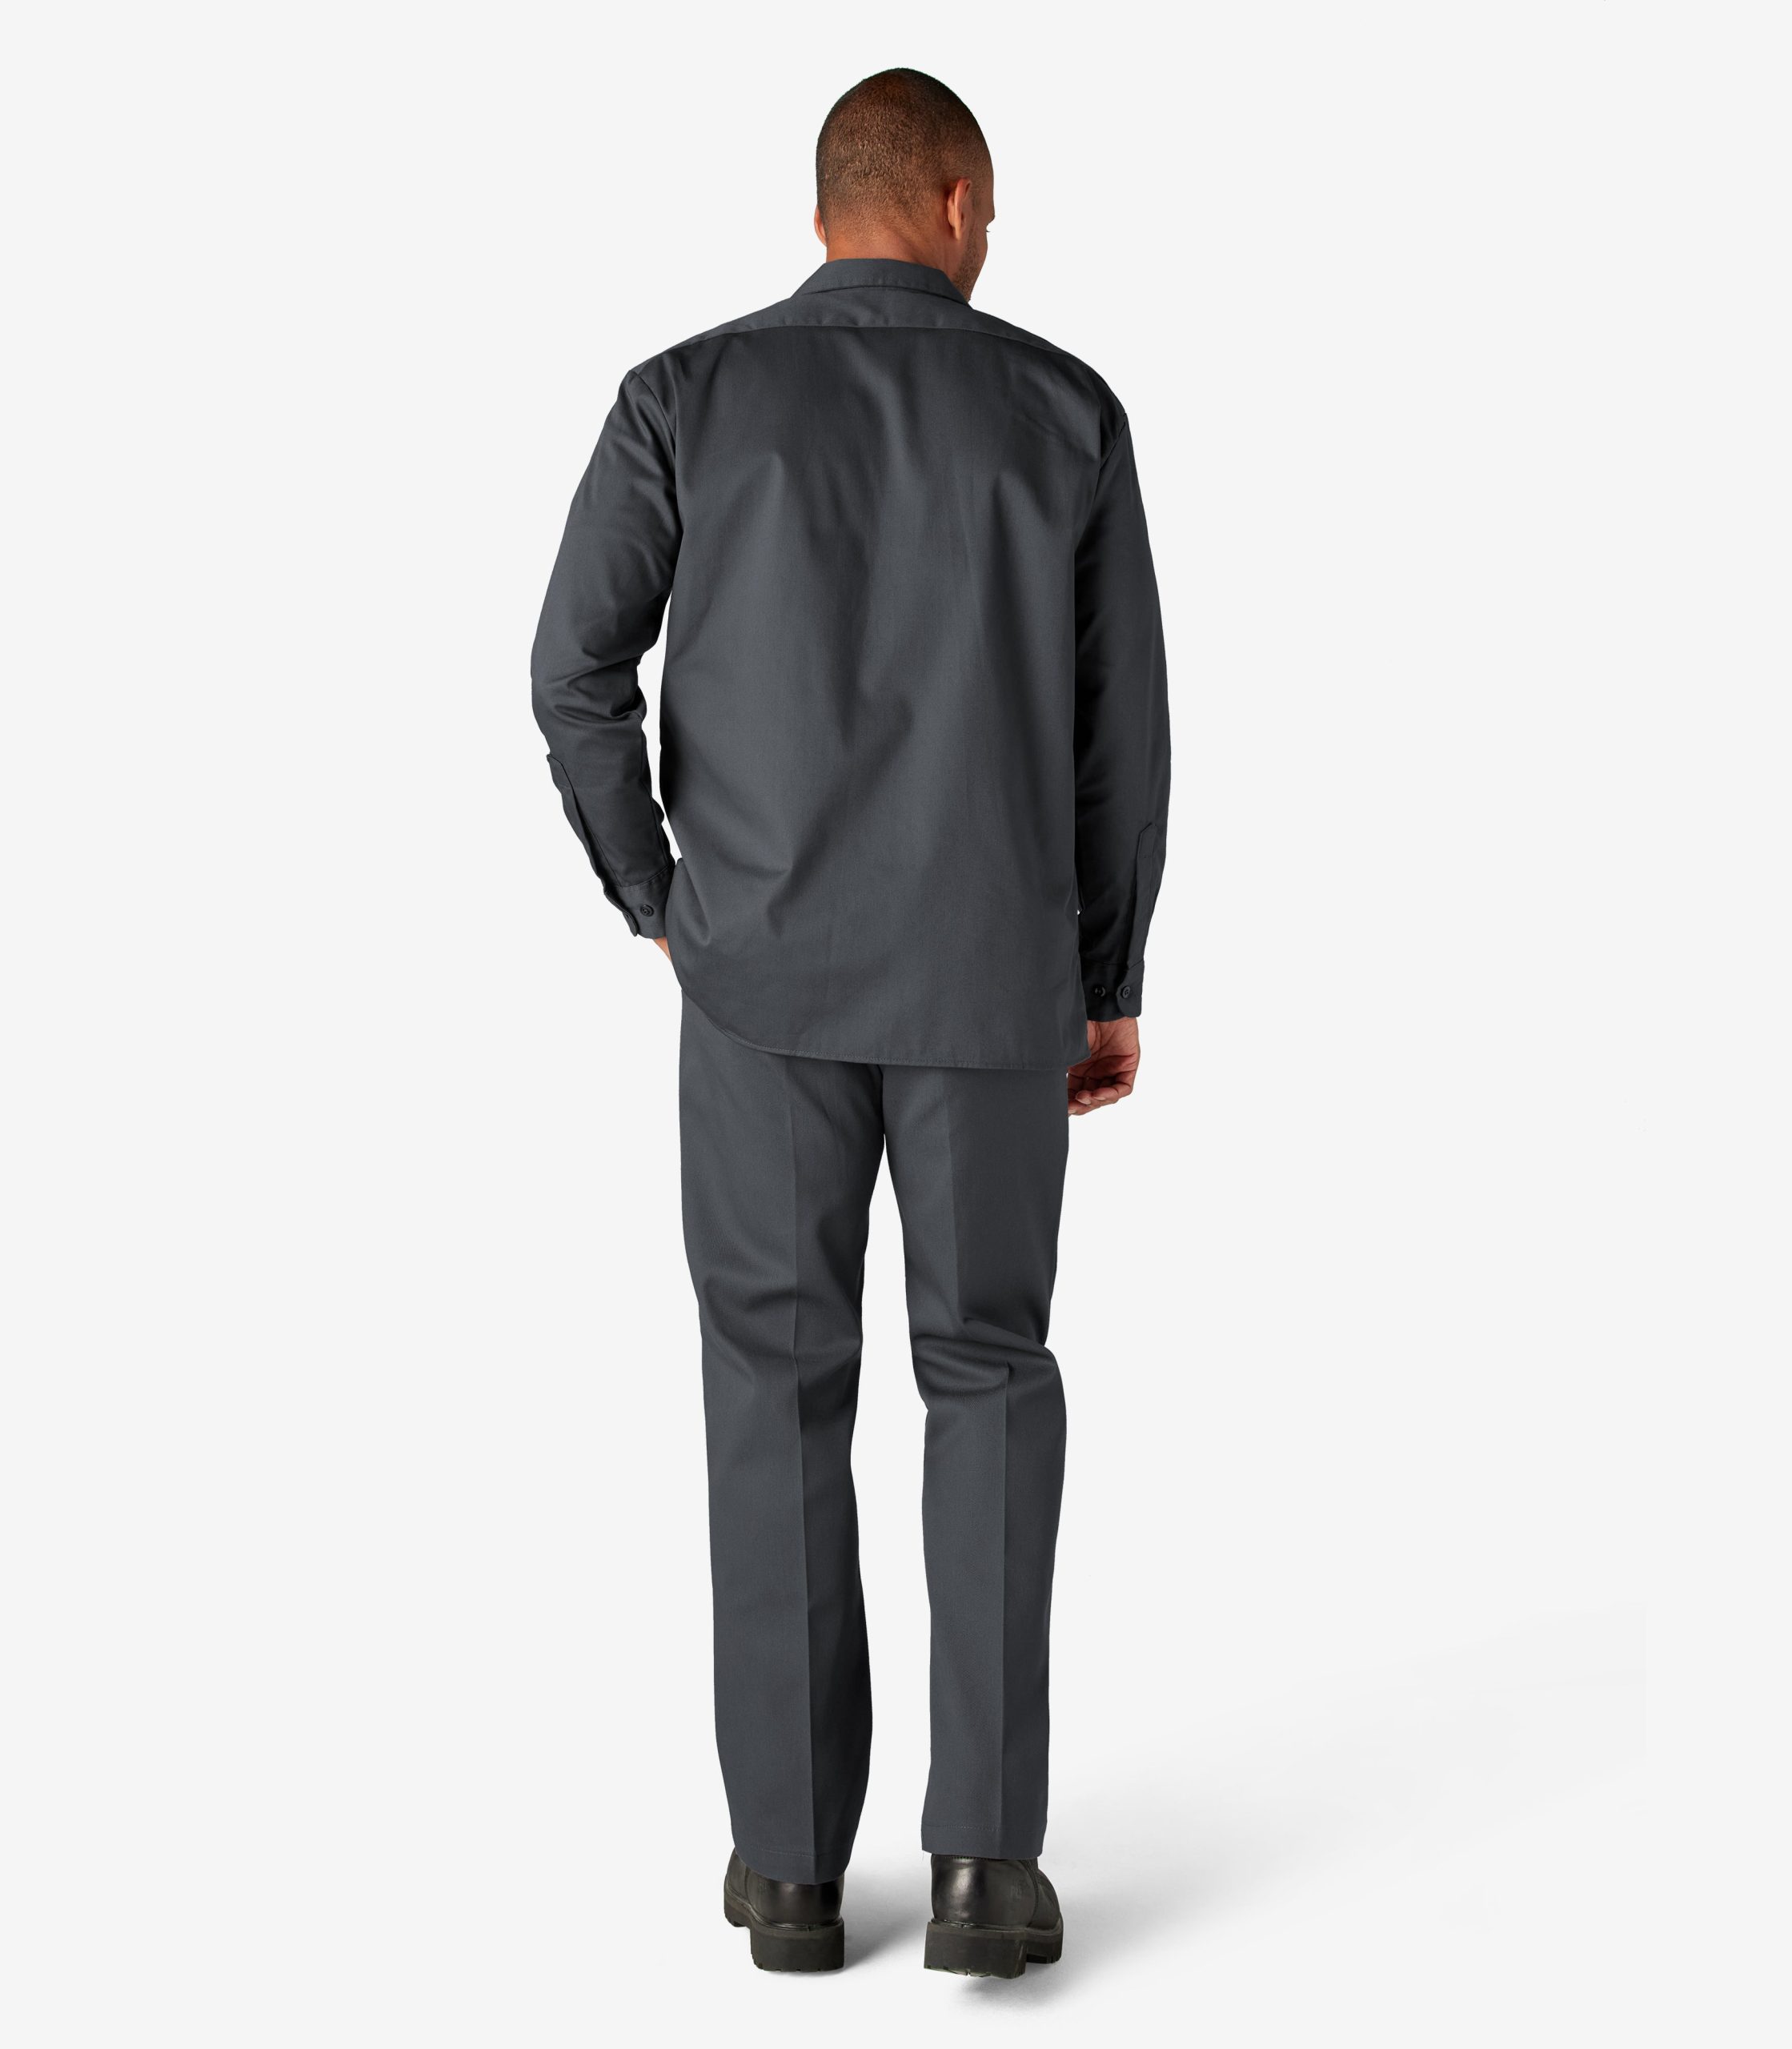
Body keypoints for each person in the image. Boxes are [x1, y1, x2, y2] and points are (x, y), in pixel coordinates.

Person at [529, 66, 1169, 1979]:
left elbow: (569, 671)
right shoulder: (1063, 409)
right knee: (986, 1374)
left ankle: (792, 1870)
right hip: (989, 990)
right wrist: (1107, 974)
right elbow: (1118, 732)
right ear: (953, 201)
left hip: (759, 994)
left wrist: (662, 899)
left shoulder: (683, 396)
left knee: (771, 1384)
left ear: (830, 208)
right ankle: (983, 1866)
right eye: (996, 210)